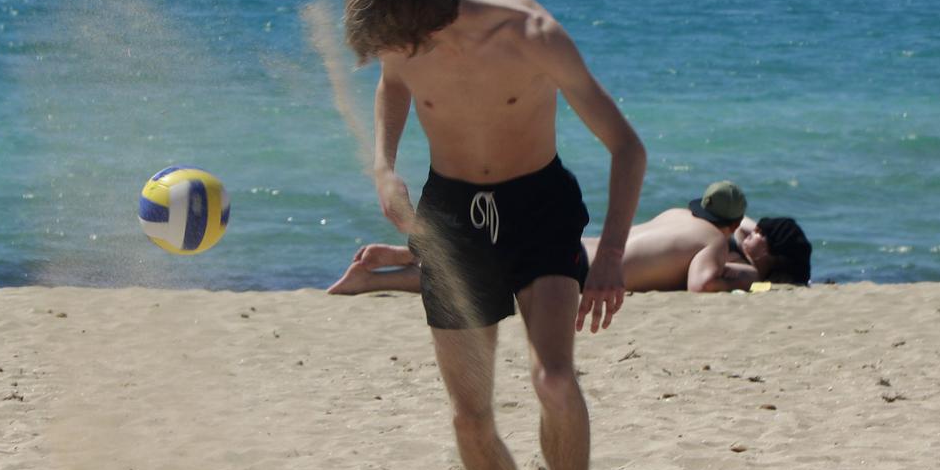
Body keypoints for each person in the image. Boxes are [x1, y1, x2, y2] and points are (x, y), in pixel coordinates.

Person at [344, 0, 646, 470]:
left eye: (392, 44)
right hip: (453, 218)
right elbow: (393, 87)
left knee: (554, 379)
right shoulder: (403, 46)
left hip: (539, 208)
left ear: (427, 27)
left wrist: (611, 254)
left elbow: (626, 147)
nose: (386, 56)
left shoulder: (532, 35)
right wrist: (383, 168)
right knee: (469, 415)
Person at [330, 181, 813, 295]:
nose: (754, 233)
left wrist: (742, 239)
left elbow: (740, 228)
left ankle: (399, 257)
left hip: (583, 247)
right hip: (581, 268)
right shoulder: (713, 243)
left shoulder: (679, 215)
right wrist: (757, 284)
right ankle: (376, 280)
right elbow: (703, 286)